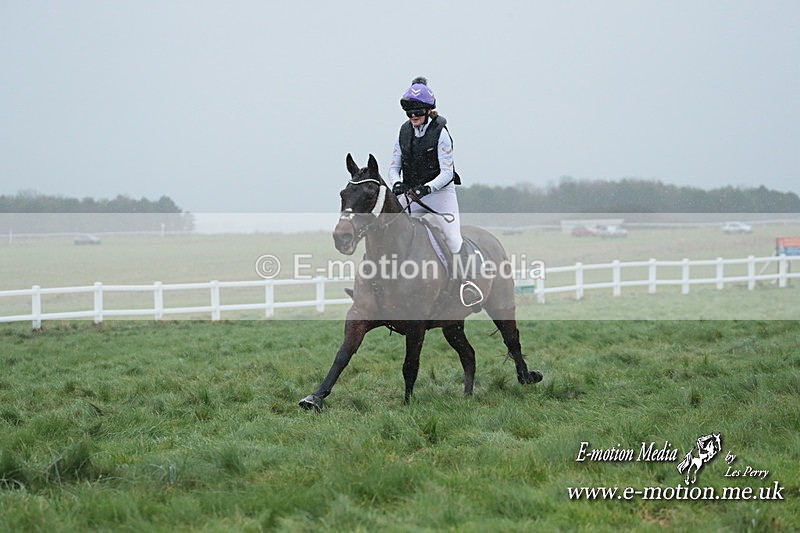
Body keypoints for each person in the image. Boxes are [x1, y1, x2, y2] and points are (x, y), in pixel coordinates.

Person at [388, 76, 483, 307]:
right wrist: (396, 183)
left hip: (440, 194)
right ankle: (382, 283)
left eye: (417, 111)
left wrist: (428, 188)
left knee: (452, 238)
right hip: (412, 194)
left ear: (428, 109)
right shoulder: (403, 132)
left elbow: (447, 173)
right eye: (409, 112)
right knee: (390, 228)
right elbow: (393, 167)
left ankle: (467, 284)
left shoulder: (441, 132)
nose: (413, 116)